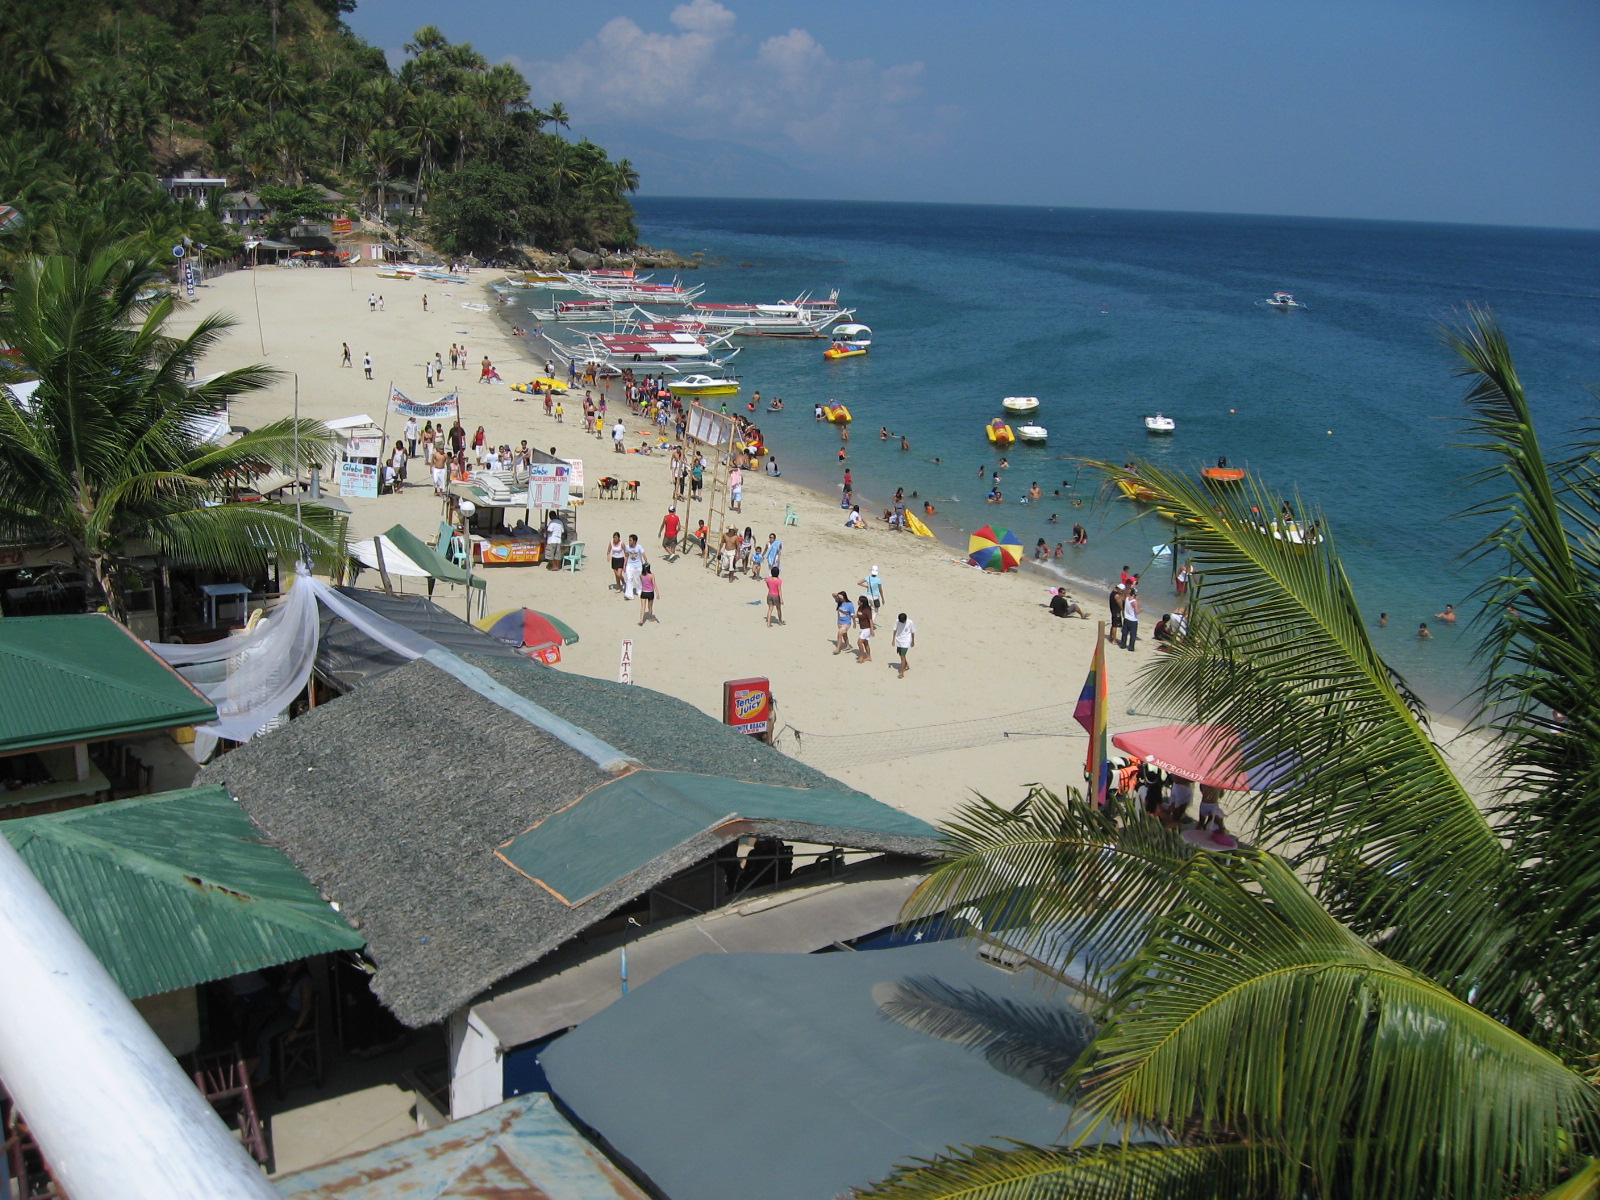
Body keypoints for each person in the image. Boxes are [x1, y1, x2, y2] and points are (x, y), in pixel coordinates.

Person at [893, 612, 916, 678]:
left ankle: (901, 672)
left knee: (902, 656)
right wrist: (893, 640)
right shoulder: (897, 621)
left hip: (906, 641)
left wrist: (913, 641)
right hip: (899, 640)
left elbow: (912, 632)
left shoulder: (910, 622)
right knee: (900, 655)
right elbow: (895, 630)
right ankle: (906, 664)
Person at [623, 534, 645, 598]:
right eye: (629, 540)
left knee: (638, 579)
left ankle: (639, 591)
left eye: (630, 540)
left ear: (634, 541)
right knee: (629, 578)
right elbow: (626, 556)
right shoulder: (627, 547)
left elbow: (643, 554)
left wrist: (646, 563)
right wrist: (624, 565)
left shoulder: (639, 547)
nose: (629, 541)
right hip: (630, 565)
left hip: (638, 565)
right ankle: (629, 595)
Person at [856, 596, 875, 663]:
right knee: (865, 643)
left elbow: (870, 620)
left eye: (859, 601)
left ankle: (861, 656)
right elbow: (858, 615)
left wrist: (872, 630)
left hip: (867, 629)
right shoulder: (860, 608)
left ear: (862, 602)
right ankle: (869, 656)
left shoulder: (867, 610)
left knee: (859, 642)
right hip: (862, 628)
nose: (858, 601)